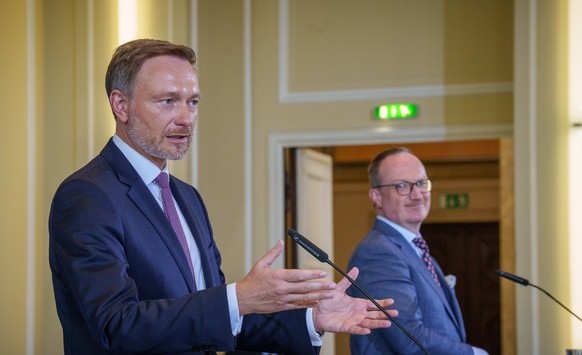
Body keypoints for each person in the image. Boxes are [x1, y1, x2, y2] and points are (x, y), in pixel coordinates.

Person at [48, 38, 397, 355]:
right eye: (168, 101)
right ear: (120, 106)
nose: (186, 118)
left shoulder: (186, 198)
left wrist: (311, 319)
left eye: (193, 102)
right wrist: (237, 298)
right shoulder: (87, 196)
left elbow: (218, 322)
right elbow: (116, 325)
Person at [347, 147, 488, 355]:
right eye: (402, 186)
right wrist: (473, 354)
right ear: (376, 196)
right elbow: (409, 338)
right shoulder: (378, 252)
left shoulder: (416, 248)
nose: (417, 195)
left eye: (421, 183)